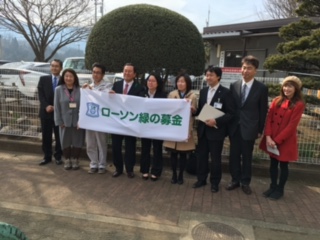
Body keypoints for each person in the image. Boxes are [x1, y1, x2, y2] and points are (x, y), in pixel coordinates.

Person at [227, 55, 268, 195]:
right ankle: (234, 180)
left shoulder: (261, 88)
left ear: (255, 70)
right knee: (233, 155)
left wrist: (260, 129)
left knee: (247, 156)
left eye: (249, 68)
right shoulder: (234, 85)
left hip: (250, 128)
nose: (246, 71)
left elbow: (263, 110)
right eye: (244, 68)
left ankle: (245, 182)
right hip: (234, 127)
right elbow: (231, 108)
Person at [259, 76, 305, 200]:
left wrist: (276, 140)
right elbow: (269, 119)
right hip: (271, 138)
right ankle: (273, 186)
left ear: (296, 89)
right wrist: (268, 137)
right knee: (273, 164)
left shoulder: (299, 104)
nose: (286, 88)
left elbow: (292, 126)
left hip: (285, 141)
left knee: (283, 165)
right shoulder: (277, 100)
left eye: (290, 86)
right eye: (285, 85)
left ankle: (280, 189)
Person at [192, 66, 235, 193]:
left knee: (215, 159)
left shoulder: (226, 92)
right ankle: (201, 179)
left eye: (211, 75)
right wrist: (195, 112)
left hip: (217, 131)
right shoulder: (204, 91)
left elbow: (231, 113)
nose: (208, 77)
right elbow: (201, 110)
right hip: (203, 131)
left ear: (218, 77)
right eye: (207, 75)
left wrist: (216, 121)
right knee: (202, 157)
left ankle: (215, 182)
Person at [110, 63, 144, 178]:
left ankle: (130, 169)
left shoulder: (139, 87)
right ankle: (118, 168)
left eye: (130, 71)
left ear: (134, 74)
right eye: (125, 71)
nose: (127, 73)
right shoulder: (116, 85)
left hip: (131, 122)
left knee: (130, 146)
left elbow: (140, 103)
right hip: (117, 121)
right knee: (116, 146)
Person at [163, 73, 197, 185]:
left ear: (187, 83)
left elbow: (195, 112)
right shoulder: (172, 94)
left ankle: (181, 175)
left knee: (183, 154)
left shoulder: (193, 96)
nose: (180, 83)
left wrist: (192, 108)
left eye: (183, 81)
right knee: (173, 154)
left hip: (186, 129)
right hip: (173, 127)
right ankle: (173, 174)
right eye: (178, 81)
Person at [82, 63, 113, 174]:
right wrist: (85, 90)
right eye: (94, 72)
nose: (95, 75)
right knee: (90, 142)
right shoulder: (88, 85)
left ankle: (102, 164)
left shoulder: (107, 86)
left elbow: (105, 98)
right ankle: (93, 163)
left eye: (98, 73)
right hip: (90, 118)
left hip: (101, 120)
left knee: (101, 142)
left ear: (103, 74)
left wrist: (92, 91)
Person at [54, 69, 85, 170]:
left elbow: (84, 106)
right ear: (63, 77)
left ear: (75, 78)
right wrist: (59, 121)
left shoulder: (80, 90)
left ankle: (75, 159)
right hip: (64, 121)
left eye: (71, 76)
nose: (68, 78)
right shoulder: (58, 89)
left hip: (78, 121)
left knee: (78, 140)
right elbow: (57, 107)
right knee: (65, 141)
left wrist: (82, 121)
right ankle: (67, 160)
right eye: (66, 76)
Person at [139, 74, 167, 181]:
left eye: (153, 81)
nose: (150, 83)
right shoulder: (142, 94)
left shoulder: (163, 95)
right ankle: (145, 170)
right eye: (149, 80)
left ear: (158, 83)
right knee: (145, 148)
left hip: (157, 126)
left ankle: (156, 171)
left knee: (157, 149)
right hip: (145, 125)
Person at [37, 59, 63, 166]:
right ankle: (47, 156)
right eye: (52, 66)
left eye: (57, 66)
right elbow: (40, 95)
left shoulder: (64, 80)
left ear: (61, 68)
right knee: (46, 136)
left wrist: (57, 107)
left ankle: (58, 156)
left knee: (59, 136)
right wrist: (46, 106)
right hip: (46, 112)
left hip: (59, 113)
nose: (54, 68)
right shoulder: (43, 79)